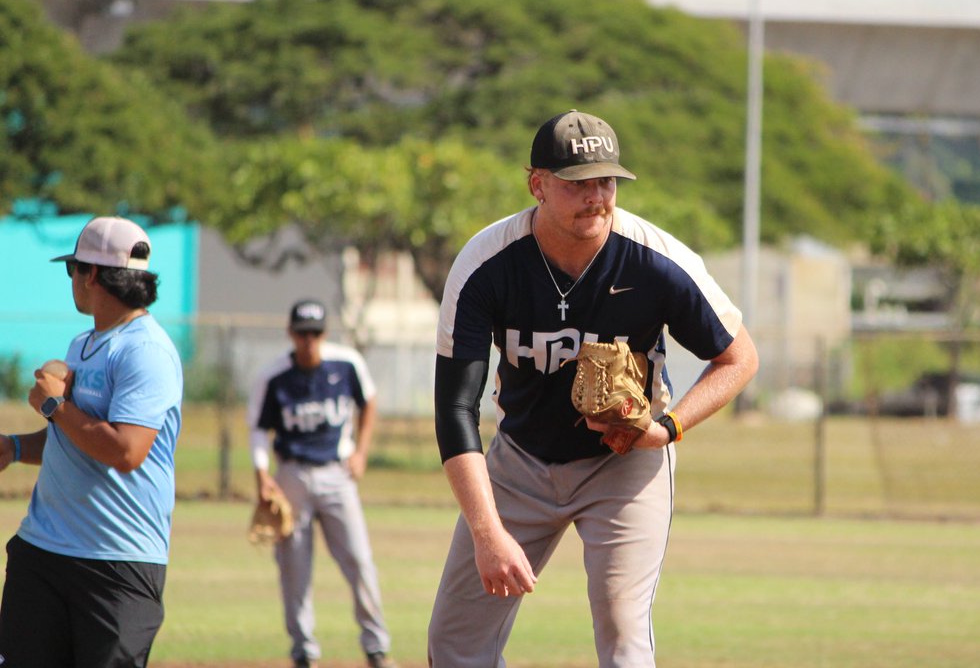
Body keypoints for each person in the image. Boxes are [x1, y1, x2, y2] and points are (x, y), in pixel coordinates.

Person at [427, 109, 759, 666]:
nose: (596, 196)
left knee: (623, 631)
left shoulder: (657, 261)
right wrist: (487, 532)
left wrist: (667, 428)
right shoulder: (486, 264)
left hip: (623, 464)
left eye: (606, 181)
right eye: (578, 183)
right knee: (454, 643)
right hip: (520, 461)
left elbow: (739, 358)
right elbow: (455, 408)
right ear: (538, 184)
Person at [0, 215, 184, 667]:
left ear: (93, 274)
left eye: (72, 269)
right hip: (44, 552)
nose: (72, 280)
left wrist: (55, 407)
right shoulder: (84, 342)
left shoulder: (146, 351)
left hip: (116, 561)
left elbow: (125, 451)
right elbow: (76, 438)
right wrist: (18, 448)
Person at [248, 299, 395, 668]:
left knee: (360, 561)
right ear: (291, 333)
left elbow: (370, 400)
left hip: (337, 474)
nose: (309, 340)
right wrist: (262, 474)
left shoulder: (345, 364)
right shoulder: (274, 376)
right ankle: (304, 650)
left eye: (315, 333)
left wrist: (360, 452)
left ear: (324, 333)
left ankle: (376, 647)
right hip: (292, 476)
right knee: (294, 568)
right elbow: (257, 429)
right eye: (302, 333)